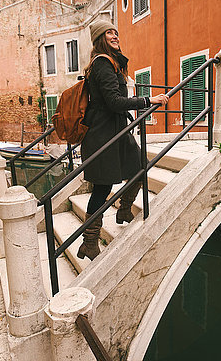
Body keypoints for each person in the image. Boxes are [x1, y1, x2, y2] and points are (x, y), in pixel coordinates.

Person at [77, 20, 169, 261]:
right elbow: (114, 102)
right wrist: (148, 101)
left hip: (116, 131)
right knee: (102, 187)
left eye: (116, 32)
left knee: (140, 166)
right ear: (100, 38)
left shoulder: (109, 63)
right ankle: (89, 242)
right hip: (102, 135)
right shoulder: (102, 64)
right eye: (109, 33)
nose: (115, 36)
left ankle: (124, 210)